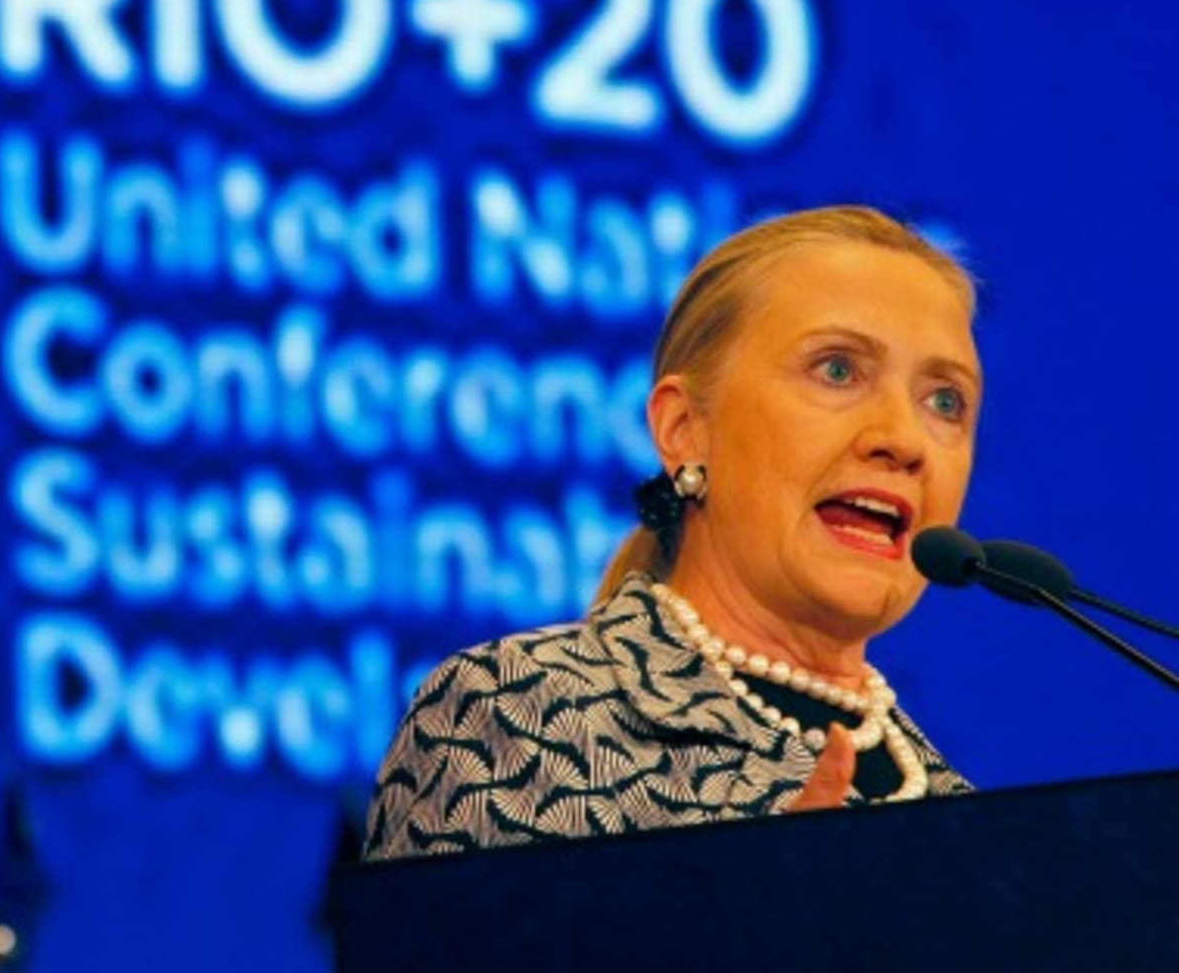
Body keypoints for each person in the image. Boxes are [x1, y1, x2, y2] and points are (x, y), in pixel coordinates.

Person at [363, 206, 980, 858]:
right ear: (684, 429)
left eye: (945, 401)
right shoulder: (519, 717)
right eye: (836, 369)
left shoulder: (969, 822)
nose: (905, 440)